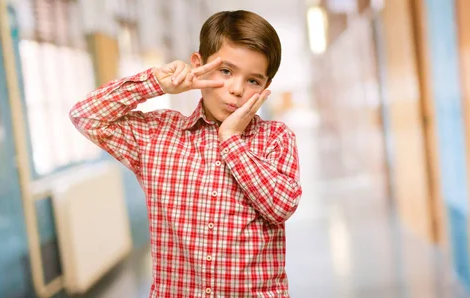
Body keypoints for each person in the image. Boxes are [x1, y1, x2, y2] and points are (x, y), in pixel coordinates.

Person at [69, 10, 302, 297]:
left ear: (265, 87)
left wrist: (230, 140)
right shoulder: (157, 135)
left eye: (253, 80)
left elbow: (281, 206)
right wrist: (153, 83)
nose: (237, 89)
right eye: (226, 71)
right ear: (198, 65)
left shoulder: (275, 138)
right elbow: (86, 116)